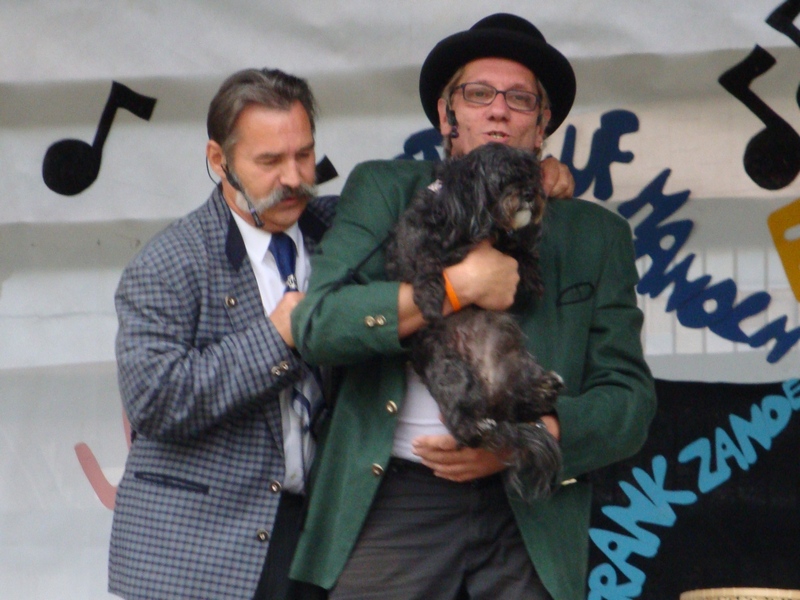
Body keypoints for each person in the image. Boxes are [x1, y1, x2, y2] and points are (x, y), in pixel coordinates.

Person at [289, 13, 657, 600]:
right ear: (447, 115)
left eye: (520, 98)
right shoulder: (385, 189)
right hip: (396, 495)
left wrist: (527, 439)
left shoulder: (595, 234)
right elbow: (319, 324)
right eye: (479, 93)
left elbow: (630, 402)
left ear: (542, 125)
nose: (498, 111)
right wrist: (458, 287)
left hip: (530, 506)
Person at [108, 68, 335, 600]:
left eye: (304, 155)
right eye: (270, 161)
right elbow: (154, 399)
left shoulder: (343, 231)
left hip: (318, 539)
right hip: (197, 553)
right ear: (219, 160)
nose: (294, 177)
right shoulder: (168, 261)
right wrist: (278, 337)